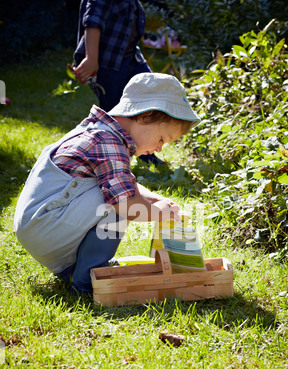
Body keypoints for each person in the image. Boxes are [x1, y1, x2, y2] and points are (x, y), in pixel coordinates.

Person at [14, 72, 200, 294]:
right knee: (118, 205)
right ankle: (86, 282)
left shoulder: (102, 132)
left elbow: (122, 183)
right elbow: (124, 203)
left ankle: (76, 269)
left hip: (40, 224)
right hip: (46, 227)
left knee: (119, 195)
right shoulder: (109, 143)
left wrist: (157, 200)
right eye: (161, 139)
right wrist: (156, 212)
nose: (159, 148)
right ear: (145, 116)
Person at [73, 0, 163, 165]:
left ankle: (145, 151)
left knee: (150, 96)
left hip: (131, 58)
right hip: (109, 63)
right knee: (116, 115)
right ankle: (112, 158)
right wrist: (91, 58)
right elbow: (93, 21)